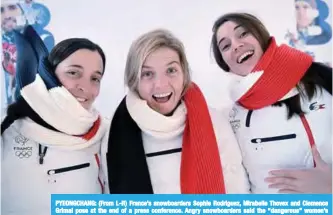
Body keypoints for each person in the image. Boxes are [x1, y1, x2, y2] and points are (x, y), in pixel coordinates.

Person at [103, 29, 250, 194]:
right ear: (133, 81)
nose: (161, 84)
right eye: (147, 74)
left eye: (171, 70)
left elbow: (237, 189)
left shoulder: (214, 122)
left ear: (184, 73)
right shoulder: (114, 135)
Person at [210, 12, 332, 193]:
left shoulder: (321, 79)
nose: (236, 45)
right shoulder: (229, 117)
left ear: (261, 37)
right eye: (226, 46)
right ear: (225, 64)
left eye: (243, 33)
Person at [1, 26, 108, 215]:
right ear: (49, 74)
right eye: (73, 73)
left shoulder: (105, 132)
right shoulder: (8, 129)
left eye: (95, 78)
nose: (85, 86)